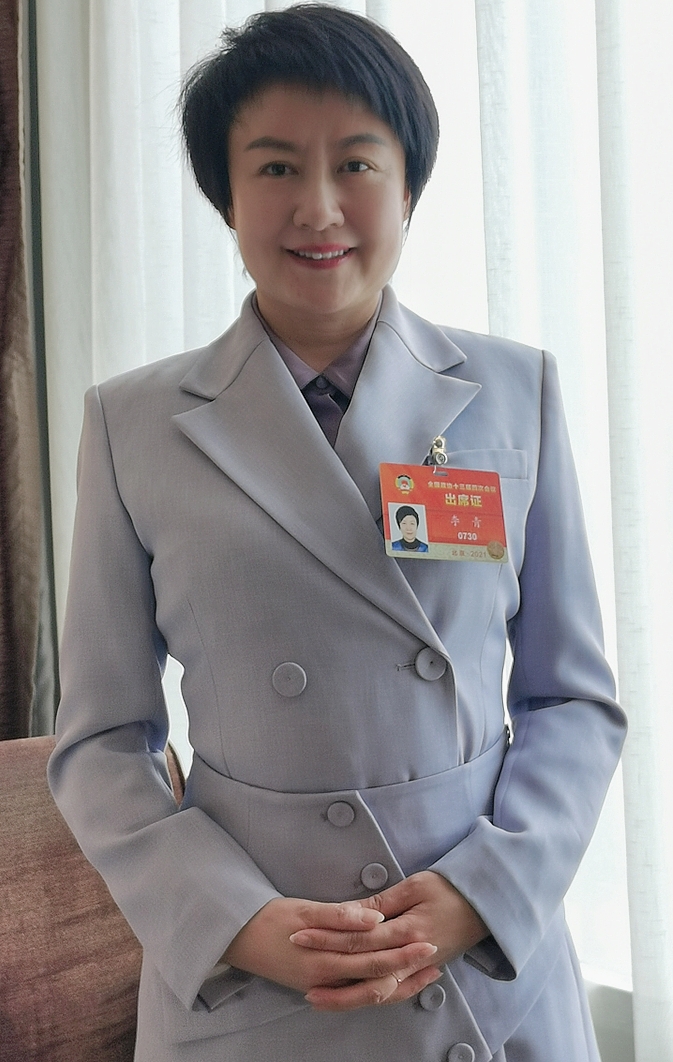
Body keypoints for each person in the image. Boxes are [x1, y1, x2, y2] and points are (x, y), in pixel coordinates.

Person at [48, 6, 626, 1061]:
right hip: (259, 981)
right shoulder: (132, 423)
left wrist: (484, 889)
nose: (318, 208)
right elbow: (102, 739)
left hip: (481, 970)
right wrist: (234, 921)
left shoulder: (515, 392)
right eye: (274, 167)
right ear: (225, 196)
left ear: (408, 187)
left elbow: (569, 699)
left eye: (356, 163)